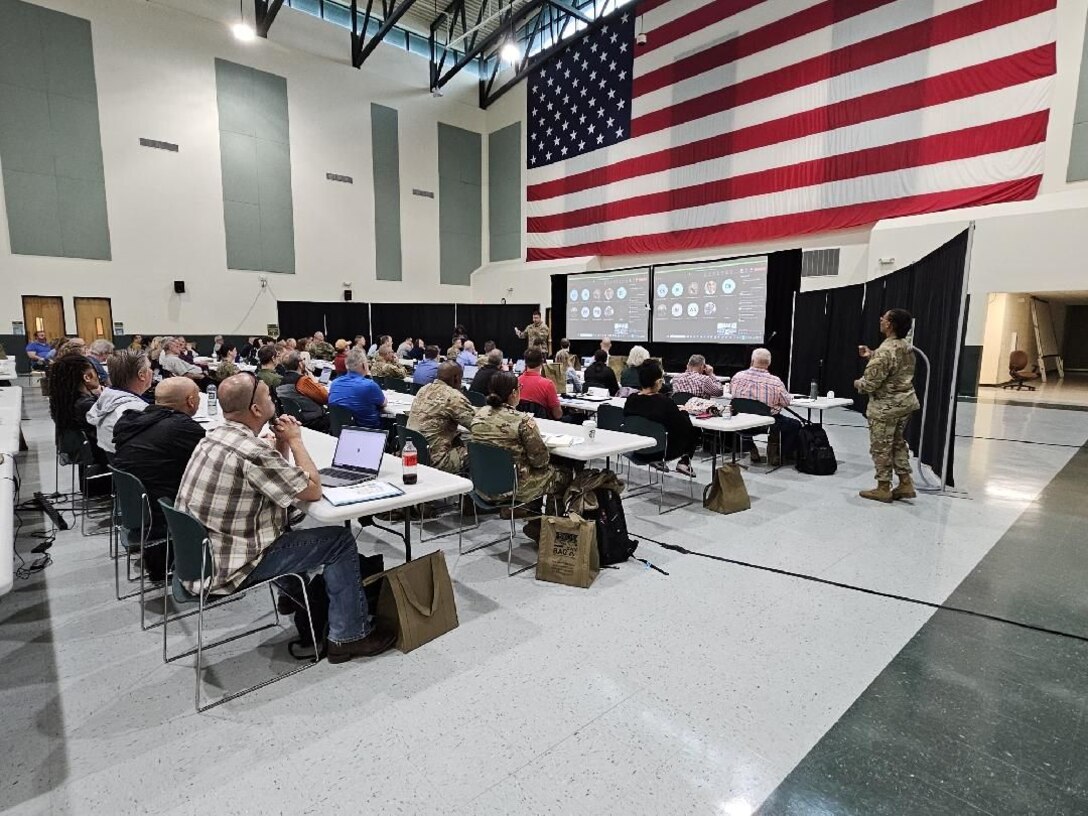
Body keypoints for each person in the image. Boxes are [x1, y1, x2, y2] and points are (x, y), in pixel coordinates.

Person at [176, 373, 395, 662]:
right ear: (255, 410)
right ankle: (349, 637)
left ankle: (293, 598)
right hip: (231, 565)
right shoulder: (251, 452)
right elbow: (313, 490)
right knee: (339, 541)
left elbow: (274, 477)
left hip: (203, 558)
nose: (274, 400)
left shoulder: (215, 436)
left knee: (289, 523)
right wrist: (295, 441)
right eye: (268, 397)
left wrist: (280, 443)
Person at [113, 377, 206, 573]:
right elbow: (213, 461)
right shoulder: (181, 428)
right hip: (165, 515)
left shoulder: (133, 421)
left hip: (135, 510)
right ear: (191, 401)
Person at [471, 372, 572, 504]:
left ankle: (529, 513)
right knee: (565, 474)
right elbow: (540, 461)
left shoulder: (478, 415)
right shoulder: (522, 421)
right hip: (514, 488)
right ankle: (545, 521)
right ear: (514, 393)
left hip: (483, 486)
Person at [854, 308, 920, 503]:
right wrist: (871, 354)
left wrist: (858, 383)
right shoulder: (905, 346)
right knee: (898, 443)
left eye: (884, 317)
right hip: (905, 404)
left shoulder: (885, 352)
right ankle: (905, 483)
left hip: (885, 408)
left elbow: (869, 384)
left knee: (881, 447)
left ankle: (883, 487)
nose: (880, 319)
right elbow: (894, 366)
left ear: (890, 324)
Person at [623, 361, 697, 477]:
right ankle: (684, 462)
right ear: (658, 382)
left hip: (635, 450)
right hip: (660, 452)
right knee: (694, 431)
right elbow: (682, 426)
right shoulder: (664, 402)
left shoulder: (631, 399)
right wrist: (684, 412)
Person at [729, 348, 800, 463]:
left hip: (739, 423)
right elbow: (786, 402)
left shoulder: (737, 376)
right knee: (794, 424)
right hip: (764, 424)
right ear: (769, 363)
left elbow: (732, 394)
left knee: (746, 412)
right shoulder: (775, 381)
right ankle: (776, 453)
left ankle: (751, 449)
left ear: (752, 361)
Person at [407, 362, 476, 474]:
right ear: (456, 378)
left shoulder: (423, 389)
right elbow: (478, 425)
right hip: (436, 460)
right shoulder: (453, 396)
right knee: (480, 452)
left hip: (413, 454)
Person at [85, 349, 154, 455]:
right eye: (149, 368)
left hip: (116, 464)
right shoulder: (135, 411)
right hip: (135, 466)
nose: (152, 371)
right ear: (141, 375)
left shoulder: (106, 398)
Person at [48, 353, 108, 466]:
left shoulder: (65, 400)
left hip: (83, 453)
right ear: (87, 377)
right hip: (101, 457)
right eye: (96, 373)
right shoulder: (85, 405)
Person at [329, 347, 386, 429]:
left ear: (346, 365)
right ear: (364, 365)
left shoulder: (334, 383)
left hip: (342, 433)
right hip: (369, 433)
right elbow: (383, 403)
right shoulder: (370, 385)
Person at [276, 351, 330, 432]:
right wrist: (314, 380)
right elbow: (326, 397)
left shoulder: (281, 382)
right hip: (314, 420)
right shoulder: (302, 381)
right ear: (300, 364)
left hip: (296, 420)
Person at [518, 347, 562, 419]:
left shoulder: (516, 381)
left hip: (521, 424)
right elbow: (558, 415)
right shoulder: (548, 384)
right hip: (544, 426)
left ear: (525, 362)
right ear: (542, 362)